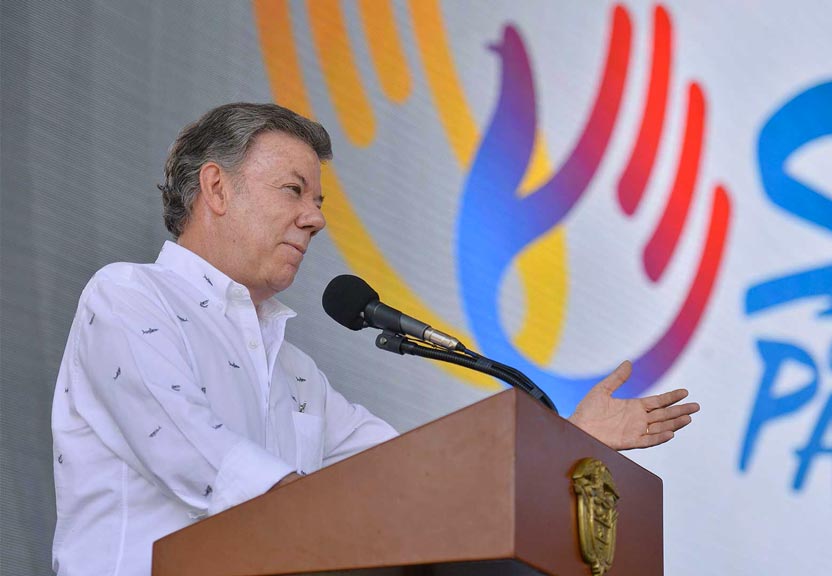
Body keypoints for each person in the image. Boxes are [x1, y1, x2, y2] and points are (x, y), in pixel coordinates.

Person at [51, 103, 699, 576]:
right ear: (216, 188)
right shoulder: (129, 297)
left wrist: (568, 445)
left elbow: (416, 478)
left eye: (319, 201)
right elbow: (205, 463)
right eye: (294, 191)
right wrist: (336, 524)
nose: (315, 219)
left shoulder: (296, 371)